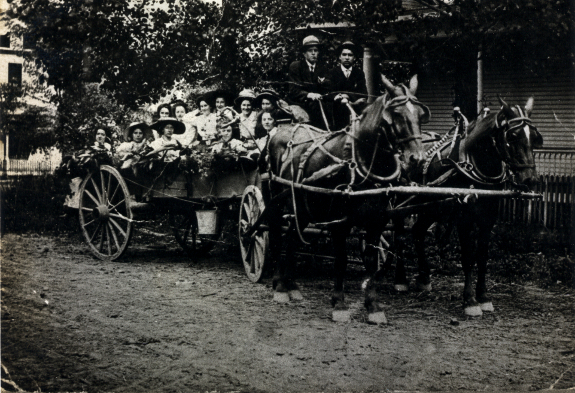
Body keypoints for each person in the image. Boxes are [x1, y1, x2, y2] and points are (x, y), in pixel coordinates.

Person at [287, 35, 332, 129]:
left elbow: (328, 87)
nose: (313, 53)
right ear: (304, 53)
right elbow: (293, 90)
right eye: (310, 51)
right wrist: (310, 95)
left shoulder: (323, 67)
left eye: (316, 50)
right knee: (315, 107)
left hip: (319, 103)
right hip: (301, 103)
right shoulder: (296, 66)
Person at [327, 41, 368, 130]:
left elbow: (364, 94)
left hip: (355, 112)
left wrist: (348, 96)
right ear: (339, 57)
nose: (347, 58)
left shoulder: (359, 73)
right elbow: (330, 93)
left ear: (354, 58)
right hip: (337, 113)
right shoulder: (332, 73)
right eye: (344, 55)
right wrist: (341, 97)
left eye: (350, 55)